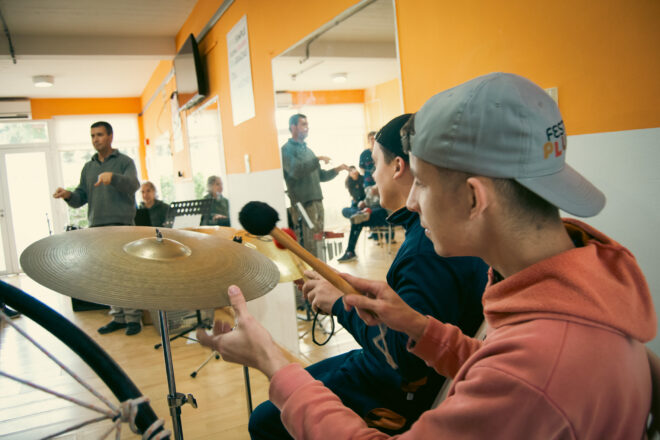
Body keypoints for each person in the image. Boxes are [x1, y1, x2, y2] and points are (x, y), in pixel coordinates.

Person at [198, 73, 656, 438]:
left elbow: (519, 379)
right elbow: (497, 365)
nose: (412, 202)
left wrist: (273, 362)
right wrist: (418, 326)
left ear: (474, 199)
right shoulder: (582, 292)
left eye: (421, 182)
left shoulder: (537, 373)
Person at [246, 113, 487, 438]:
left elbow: (406, 360)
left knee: (266, 419)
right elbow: (414, 315)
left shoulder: (426, 250)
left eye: (374, 164)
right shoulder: (436, 238)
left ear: (399, 166)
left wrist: (342, 304)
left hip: (398, 390)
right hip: (387, 366)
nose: (371, 176)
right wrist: (350, 292)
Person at [53, 121, 142, 336]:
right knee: (109, 277)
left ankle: (133, 320)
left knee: (126, 276)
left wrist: (113, 178)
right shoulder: (89, 167)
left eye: (100, 135)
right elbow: (80, 198)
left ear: (110, 136)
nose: (95, 139)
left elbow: (133, 185)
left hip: (122, 227)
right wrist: (68, 195)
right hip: (98, 229)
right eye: (93, 135)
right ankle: (118, 317)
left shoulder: (125, 162)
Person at [281, 114, 348, 258]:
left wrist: (337, 169)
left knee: (318, 241)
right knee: (308, 243)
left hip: (317, 201)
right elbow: (296, 171)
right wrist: (317, 159)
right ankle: (310, 271)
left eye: (307, 124)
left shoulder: (309, 151)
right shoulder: (286, 150)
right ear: (293, 127)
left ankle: (319, 270)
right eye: (303, 124)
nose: (307, 127)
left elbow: (321, 176)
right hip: (302, 205)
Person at [337, 185, 390, 263]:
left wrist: (379, 193)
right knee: (345, 210)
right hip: (366, 212)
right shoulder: (370, 188)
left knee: (359, 219)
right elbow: (366, 202)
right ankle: (359, 214)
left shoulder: (386, 186)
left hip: (380, 213)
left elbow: (390, 206)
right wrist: (362, 203)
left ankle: (350, 252)